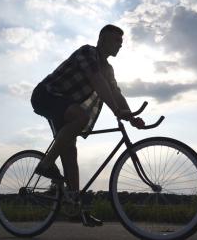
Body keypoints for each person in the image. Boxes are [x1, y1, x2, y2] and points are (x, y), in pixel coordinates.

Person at [30, 24, 145, 226]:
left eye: (121, 42)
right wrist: (117, 111)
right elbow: (96, 80)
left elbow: (116, 93)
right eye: (115, 40)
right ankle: (45, 164)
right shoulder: (88, 52)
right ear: (101, 40)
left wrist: (130, 116)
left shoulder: (109, 68)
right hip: (46, 95)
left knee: (70, 153)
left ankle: (76, 209)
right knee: (81, 117)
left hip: (65, 105)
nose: (119, 45)